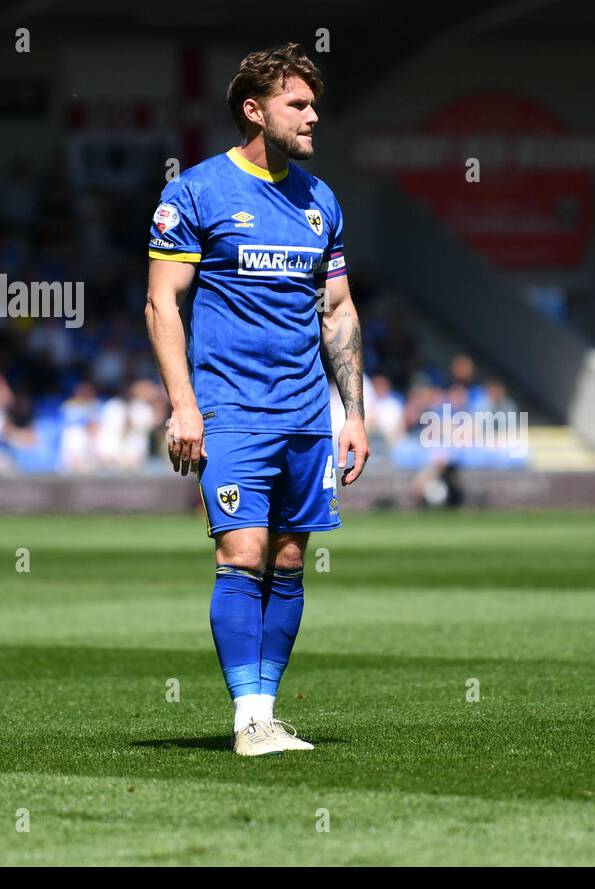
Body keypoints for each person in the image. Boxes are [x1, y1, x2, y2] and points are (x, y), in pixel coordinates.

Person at [144, 43, 368, 756]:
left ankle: (265, 713)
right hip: (231, 408)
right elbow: (161, 304)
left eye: (314, 105)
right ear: (254, 110)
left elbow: (337, 312)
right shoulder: (197, 192)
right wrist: (184, 406)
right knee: (242, 553)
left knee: (293, 561)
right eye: (297, 105)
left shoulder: (319, 200)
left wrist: (353, 414)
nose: (312, 117)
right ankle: (248, 721)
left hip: (307, 413)